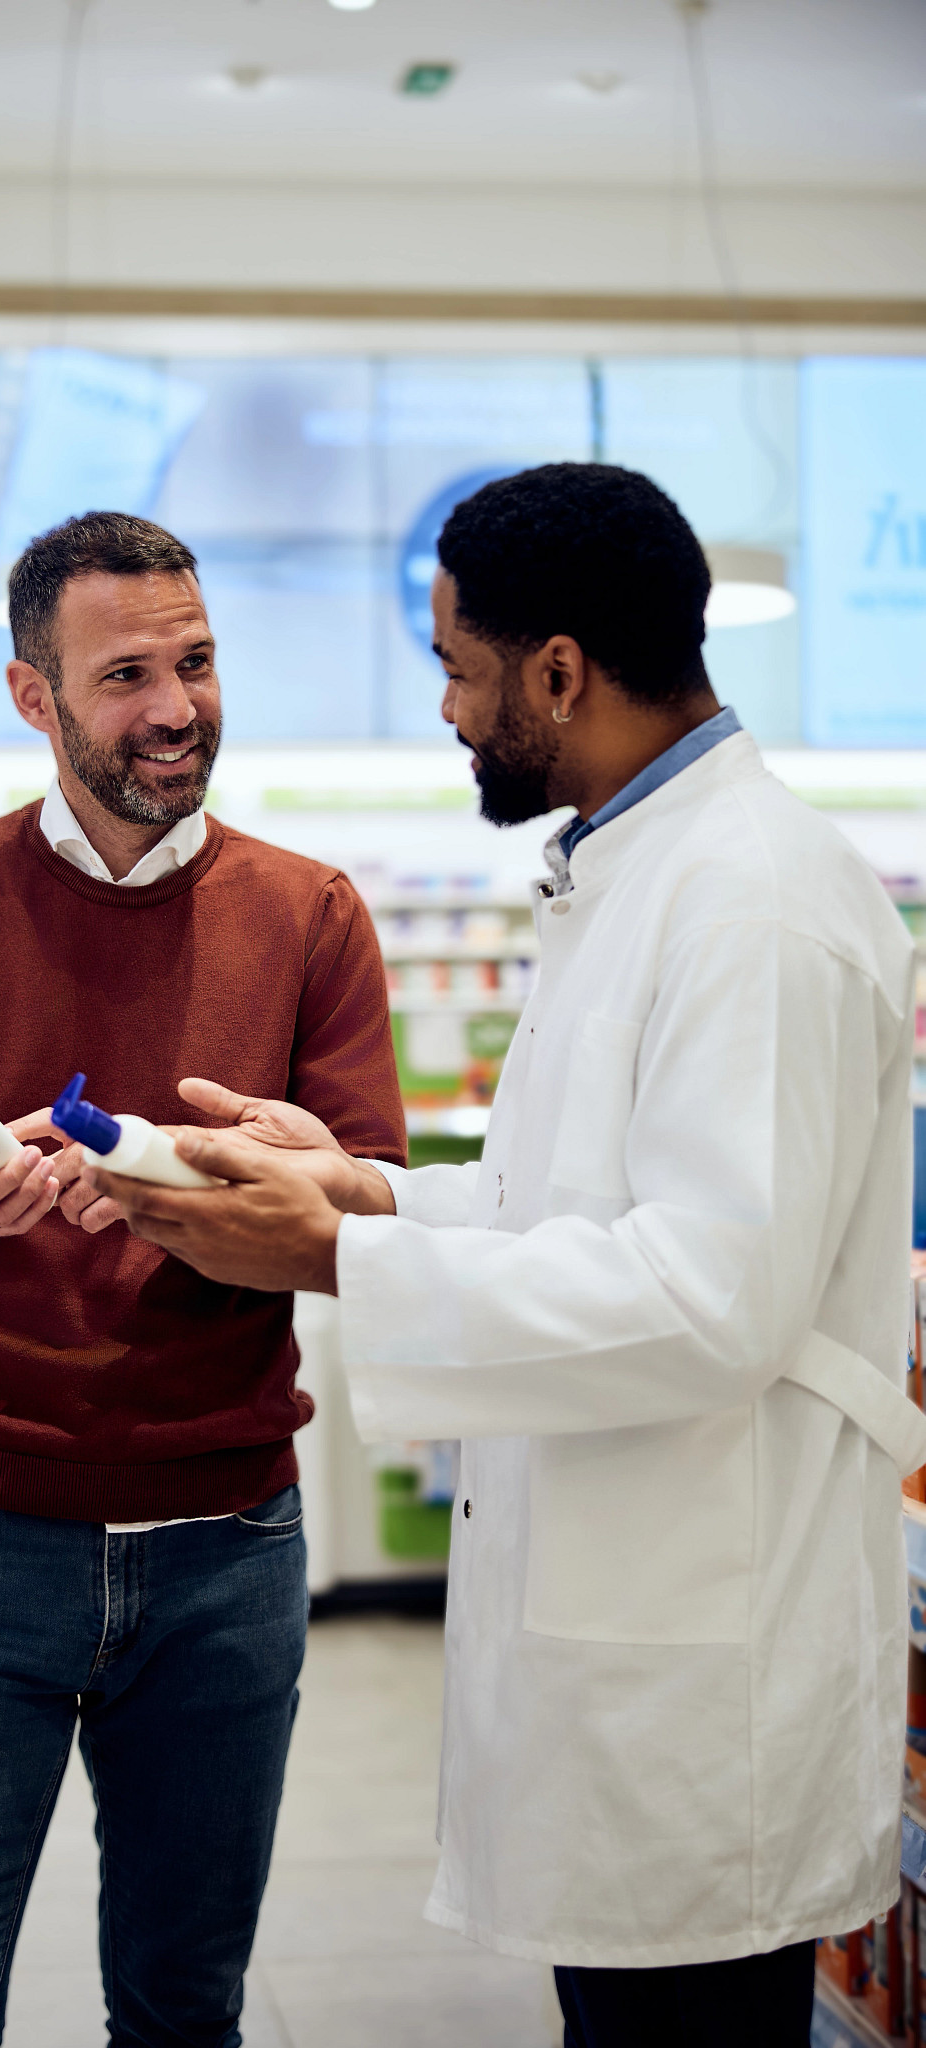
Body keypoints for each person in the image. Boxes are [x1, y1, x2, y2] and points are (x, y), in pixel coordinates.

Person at [90, 465, 926, 2048]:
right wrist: (361, 1196)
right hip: (626, 1656)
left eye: (457, 670)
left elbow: (710, 1297)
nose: (447, 711)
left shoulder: (749, 900)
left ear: (555, 671)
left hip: (700, 1686)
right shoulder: (636, 871)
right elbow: (572, 1203)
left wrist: (335, 1263)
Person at [0, 510, 405, 2048]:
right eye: (126, 675)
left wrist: (209, 1195)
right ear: (31, 696)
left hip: (223, 1544)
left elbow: (370, 1207)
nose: (177, 706)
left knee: (183, 2009)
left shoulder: (310, 913)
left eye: (196, 662)